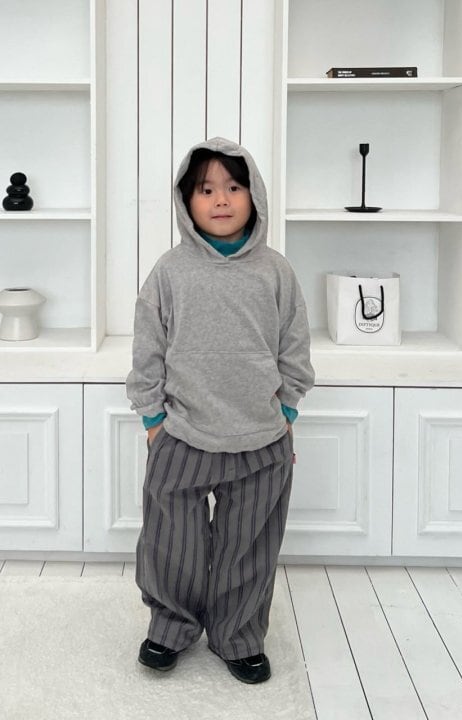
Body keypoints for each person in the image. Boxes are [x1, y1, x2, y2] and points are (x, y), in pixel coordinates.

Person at [126, 137, 315, 684]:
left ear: (254, 195)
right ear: (187, 200)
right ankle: (170, 627)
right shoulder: (169, 271)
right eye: (206, 189)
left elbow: (294, 346)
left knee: (248, 546)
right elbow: (148, 348)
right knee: (172, 541)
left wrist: (286, 412)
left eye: (234, 187)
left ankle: (238, 635)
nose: (222, 200)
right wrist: (153, 420)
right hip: (182, 433)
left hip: (262, 437)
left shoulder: (276, 271)